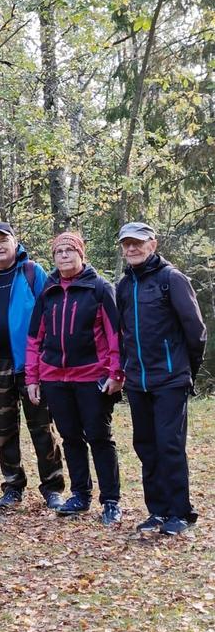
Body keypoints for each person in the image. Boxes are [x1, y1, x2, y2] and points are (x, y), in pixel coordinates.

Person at [25, 233, 124, 526]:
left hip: (92, 377)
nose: (64, 256)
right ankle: (80, 494)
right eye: (59, 252)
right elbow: (34, 339)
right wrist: (33, 377)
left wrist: (116, 373)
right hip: (55, 378)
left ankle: (111, 501)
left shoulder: (99, 288)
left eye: (70, 250)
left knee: (99, 437)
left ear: (81, 254)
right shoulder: (48, 291)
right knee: (70, 438)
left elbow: (115, 335)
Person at [0, 222, 65, 511]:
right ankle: (12, 486)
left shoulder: (33, 272)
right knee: (4, 429)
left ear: (14, 242)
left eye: (2, 241)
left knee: (41, 426)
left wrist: (47, 360)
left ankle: (53, 487)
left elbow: (51, 315)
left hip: (31, 366)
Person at [115, 222, 207, 535]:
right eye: (126, 244)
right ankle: (157, 511)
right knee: (146, 445)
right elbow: (122, 333)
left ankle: (180, 513)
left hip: (170, 379)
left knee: (169, 445)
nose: (131, 249)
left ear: (152, 244)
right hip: (137, 381)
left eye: (138, 243)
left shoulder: (172, 279)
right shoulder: (124, 286)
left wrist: (185, 371)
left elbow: (196, 331)